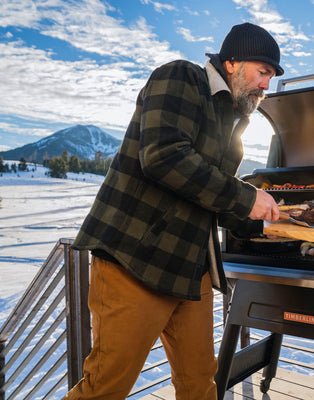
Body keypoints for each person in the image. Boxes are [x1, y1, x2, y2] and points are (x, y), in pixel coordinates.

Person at [65, 22, 283, 400]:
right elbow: (164, 157)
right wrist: (247, 198)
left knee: (199, 384)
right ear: (231, 62)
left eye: (271, 77)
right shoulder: (182, 77)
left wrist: (272, 227)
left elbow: (213, 197)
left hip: (189, 273)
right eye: (263, 72)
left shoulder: (232, 124)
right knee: (106, 387)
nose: (267, 85)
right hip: (134, 260)